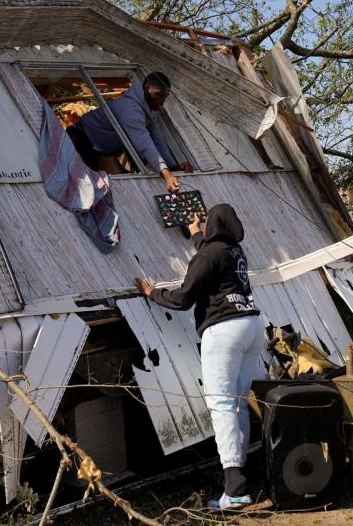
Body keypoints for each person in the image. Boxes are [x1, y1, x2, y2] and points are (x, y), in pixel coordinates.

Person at [134, 204, 267, 510]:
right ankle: (241, 475)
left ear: (214, 227)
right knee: (237, 402)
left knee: (220, 404)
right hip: (251, 326)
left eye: (205, 221)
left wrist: (152, 292)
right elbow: (210, 255)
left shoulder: (209, 255)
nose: (202, 224)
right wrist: (196, 234)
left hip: (224, 331)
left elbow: (182, 298)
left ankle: (234, 489)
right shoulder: (235, 252)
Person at [68, 71, 192, 192]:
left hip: (98, 148)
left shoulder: (151, 110)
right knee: (78, 186)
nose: (162, 100)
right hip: (80, 141)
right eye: (159, 94)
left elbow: (159, 141)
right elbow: (144, 144)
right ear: (147, 89)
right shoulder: (131, 110)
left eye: (165, 96)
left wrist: (173, 168)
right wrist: (166, 174)